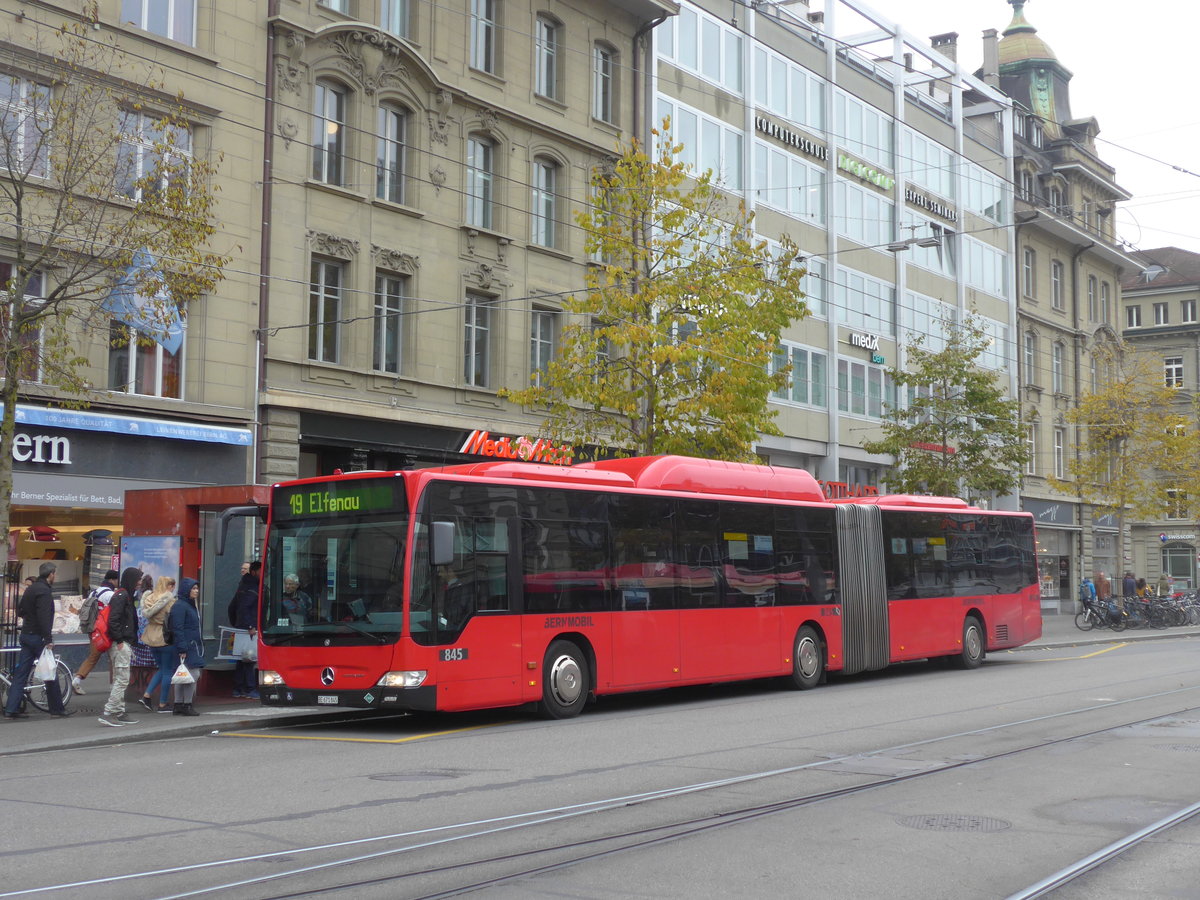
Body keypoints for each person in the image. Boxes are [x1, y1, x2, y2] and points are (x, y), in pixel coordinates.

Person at [3, 562, 72, 719]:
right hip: (38, 637)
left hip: (26, 634)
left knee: (21, 674)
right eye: (55, 573)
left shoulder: (31, 588)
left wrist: (29, 618)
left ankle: (11, 709)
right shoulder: (44, 591)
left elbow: (20, 610)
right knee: (50, 672)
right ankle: (56, 709)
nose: (55, 576)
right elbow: (44, 617)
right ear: (51, 574)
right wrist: (48, 638)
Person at [99, 567, 142, 727]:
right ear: (131, 579)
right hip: (120, 643)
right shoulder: (122, 596)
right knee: (122, 679)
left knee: (119, 678)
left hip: (122, 642)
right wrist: (119, 640)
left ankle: (119, 712)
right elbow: (113, 620)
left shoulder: (125, 595)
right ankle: (109, 712)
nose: (140, 582)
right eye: (138, 579)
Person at [71, 569, 119, 695]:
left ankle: (77, 679)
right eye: (117, 580)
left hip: (93, 629)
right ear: (112, 580)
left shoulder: (93, 592)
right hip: (106, 631)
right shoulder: (110, 594)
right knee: (114, 657)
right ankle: (114, 685)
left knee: (93, 656)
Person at [138, 575, 178, 713]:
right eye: (172, 586)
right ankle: (162, 704)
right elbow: (174, 619)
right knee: (167, 671)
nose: (173, 588)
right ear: (168, 586)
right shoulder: (169, 601)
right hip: (165, 637)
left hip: (151, 636)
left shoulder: (149, 598)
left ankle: (147, 696)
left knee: (161, 669)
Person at [168, 578, 205, 716]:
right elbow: (177, 628)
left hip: (191, 645)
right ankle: (186, 705)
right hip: (186, 646)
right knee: (193, 674)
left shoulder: (189, 605)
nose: (196, 591)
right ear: (186, 590)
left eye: (197, 588)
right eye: (193, 588)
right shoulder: (181, 606)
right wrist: (182, 648)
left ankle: (178, 705)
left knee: (182, 674)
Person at [230, 560, 261, 699]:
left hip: (242, 626)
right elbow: (245, 607)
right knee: (249, 658)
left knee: (241, 659)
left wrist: (237, 623)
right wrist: (250, 625)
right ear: (254, 572)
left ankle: (238, 688)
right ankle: (250, 688)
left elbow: (232, 606)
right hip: (249, 629)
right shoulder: (252, 587)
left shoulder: (243, 585)